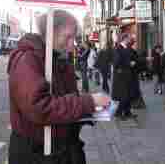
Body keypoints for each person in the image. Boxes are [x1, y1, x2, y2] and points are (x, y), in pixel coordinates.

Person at [7, 10, 110, 164]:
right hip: (38, 154)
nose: (71, 44)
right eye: (67, 37)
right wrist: (88, 102)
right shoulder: (27, 60)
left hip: (63, 150)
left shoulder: (60, 59)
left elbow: (64, 101)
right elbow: (40, 108)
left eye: (73, 38)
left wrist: (89, 113)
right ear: (50, 32)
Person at [112, 33, 137, 120]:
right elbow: (116, 62)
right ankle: (118, 113)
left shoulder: (127, 48)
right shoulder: (118, 48)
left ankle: (127, 112)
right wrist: (129, 63)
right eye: (129, 38)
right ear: (125, 39)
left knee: (128, 94)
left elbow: (131, 57)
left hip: (128, 75)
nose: (130, 40)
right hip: (121, 76)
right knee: (124, 96)